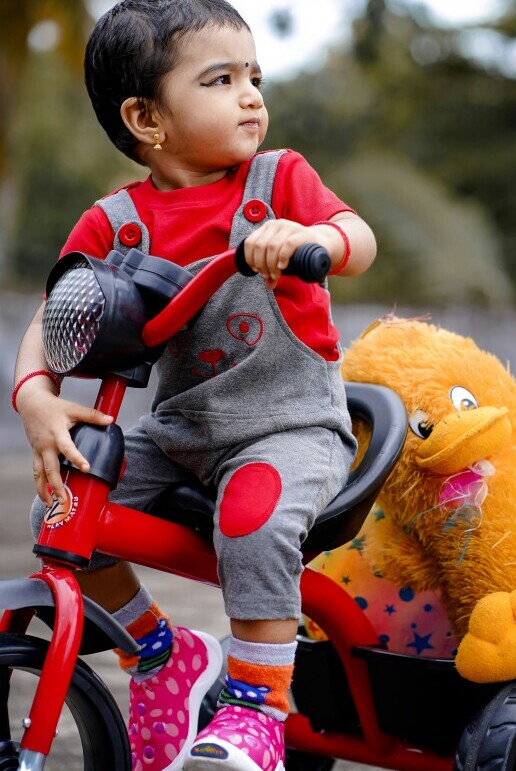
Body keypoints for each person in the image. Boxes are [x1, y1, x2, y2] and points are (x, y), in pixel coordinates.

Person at [12, 1, 376, 769]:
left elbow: (359, 241)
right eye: (220, 79)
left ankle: (256, 707)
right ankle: (160, 653)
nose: (251, 95)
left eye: (254, 76)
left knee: (253, 518)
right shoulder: (118, 223)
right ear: (146, 117)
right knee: (66, 497)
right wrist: (36, 395)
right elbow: (55, 313)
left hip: (290, 428)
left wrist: (310, 236)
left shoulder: (279, 180)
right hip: (182, 436)